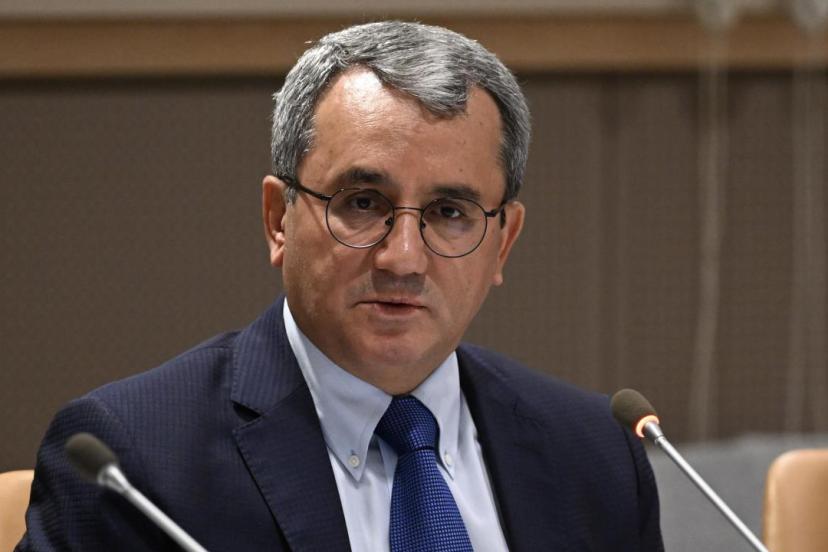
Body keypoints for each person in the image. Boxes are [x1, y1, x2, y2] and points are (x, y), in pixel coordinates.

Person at [18, 21, 663, 551]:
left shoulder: (598, 457)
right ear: (278, 219)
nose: (403, 259)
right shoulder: (135, 463)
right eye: (362, 203)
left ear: (503, 242)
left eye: (449, 213)